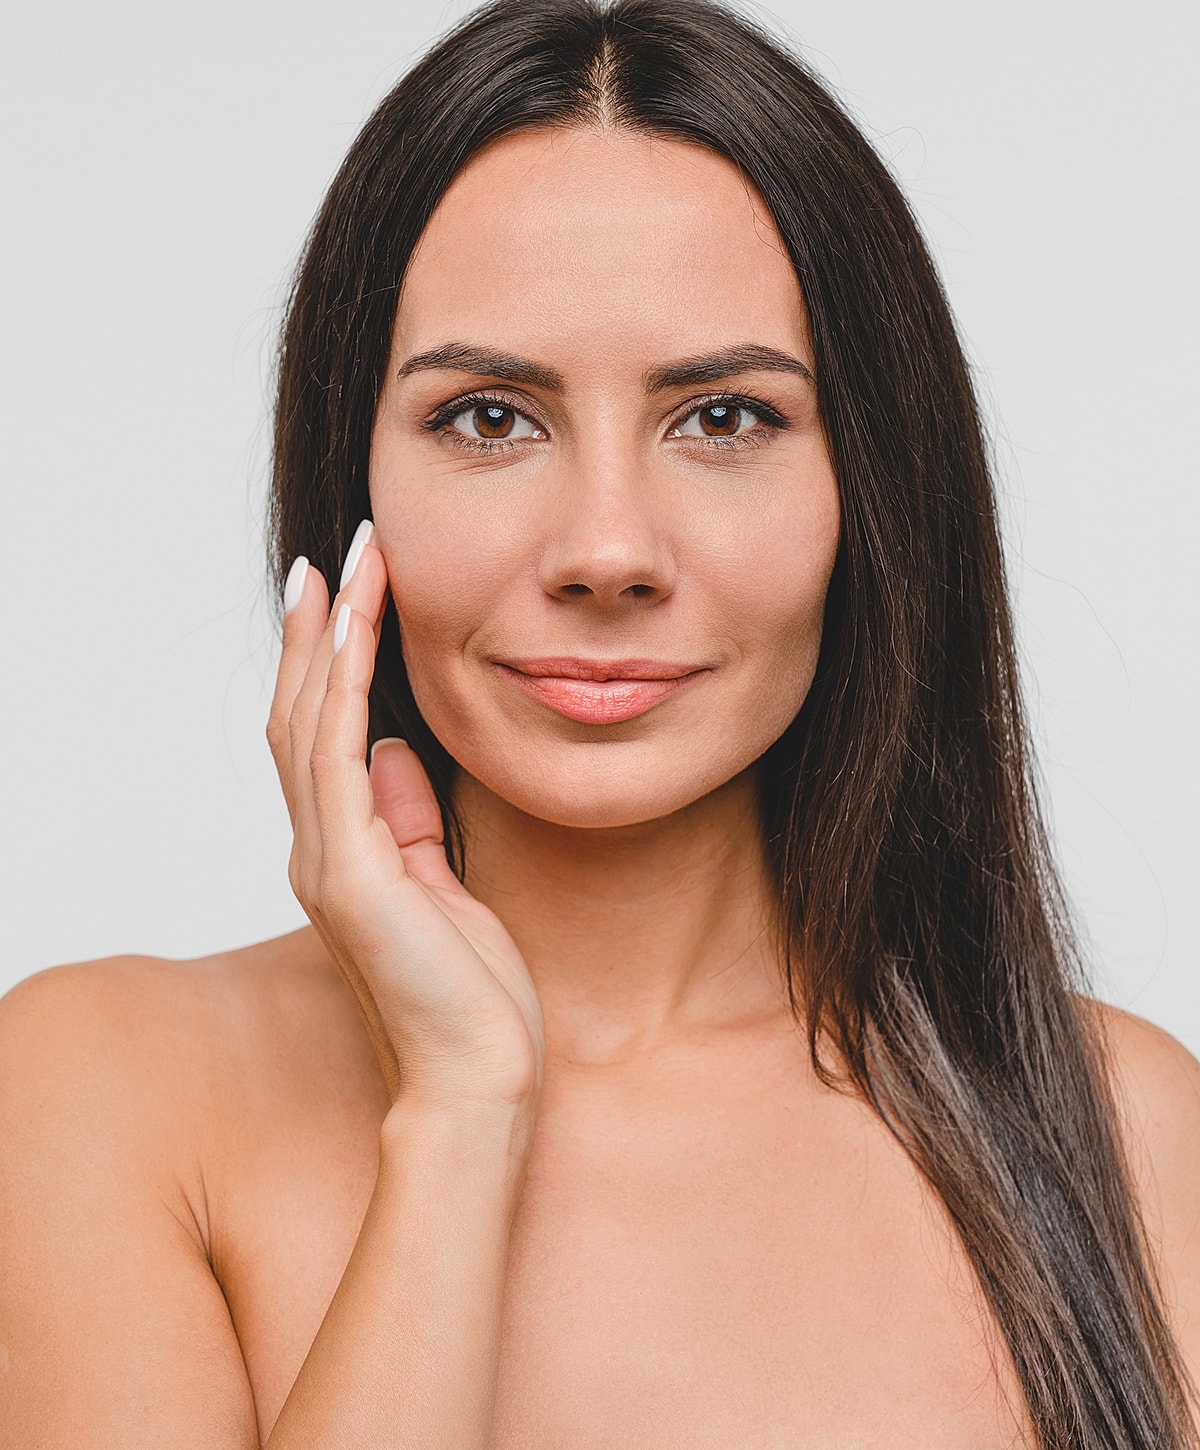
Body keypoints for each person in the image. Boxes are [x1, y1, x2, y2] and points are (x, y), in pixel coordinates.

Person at [1, 0, 1197, 1444]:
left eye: (727, 417)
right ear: (352, 474)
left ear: (869, 495)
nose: (608, 547)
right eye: (491, 417)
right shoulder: (101, 1093)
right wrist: (456, 1111)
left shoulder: (1126, 1132)